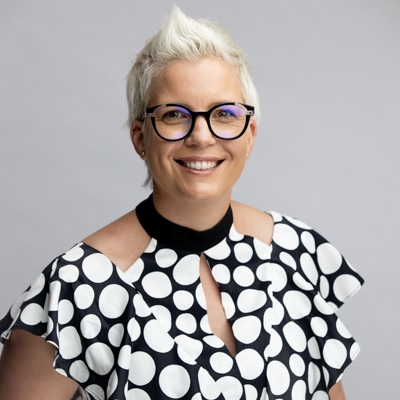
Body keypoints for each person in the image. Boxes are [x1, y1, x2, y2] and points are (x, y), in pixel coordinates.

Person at [0, 6, 363, 400]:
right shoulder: (75, 287)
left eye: (224, 113)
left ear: (250, 134)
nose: (202, 136)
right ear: (141, 138)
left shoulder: (297, 252)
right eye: (175, 114)